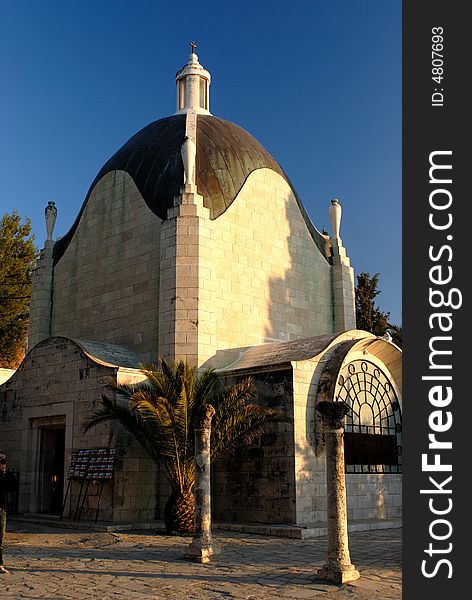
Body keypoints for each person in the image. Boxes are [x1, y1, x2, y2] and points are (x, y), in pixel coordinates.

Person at [0, 453, 16, 574]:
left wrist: (5, 474)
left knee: (0, 538)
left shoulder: (6, 476)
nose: (3, 465)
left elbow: (12, 487)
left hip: (1, 509)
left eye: (4, 463)